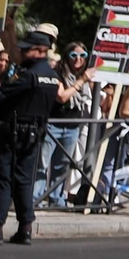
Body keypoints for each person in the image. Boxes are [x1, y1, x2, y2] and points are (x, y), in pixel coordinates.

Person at [0, 30, 88, 246]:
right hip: (35, 135)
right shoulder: (52, 77)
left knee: (2, 179)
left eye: (27, 49)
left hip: (12, 133)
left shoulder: (27, 75)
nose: (22, 52)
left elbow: (0, 94)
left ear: (41, 51)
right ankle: (25, 229)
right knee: (24, 181)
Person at [36, 41, 93, 207]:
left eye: (82, 55)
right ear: (67, 57)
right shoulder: (57, 74)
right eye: (74, 55)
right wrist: (81, 81)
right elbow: (61, 97)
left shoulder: (86, 77)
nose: (78, 59)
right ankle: (36, 198)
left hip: (72, 126)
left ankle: (57, 199)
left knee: (62, 165)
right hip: (53, 124)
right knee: (42, 164)